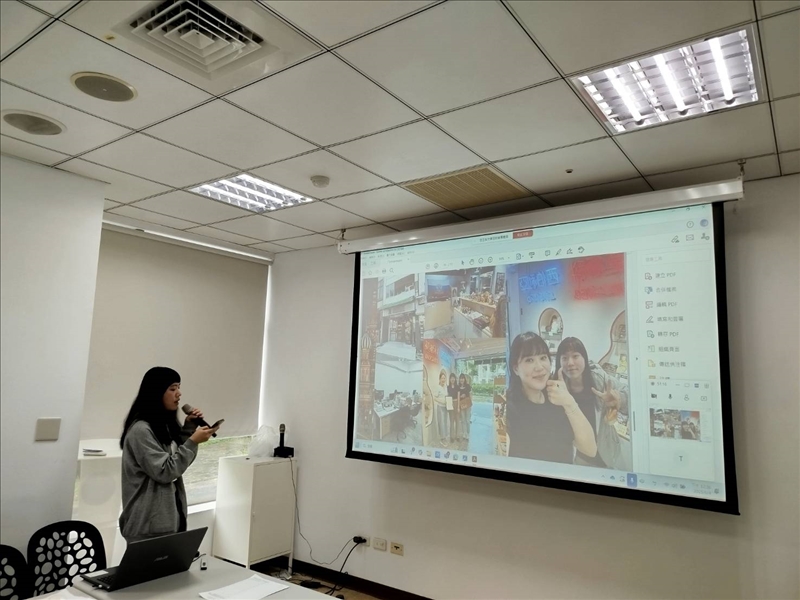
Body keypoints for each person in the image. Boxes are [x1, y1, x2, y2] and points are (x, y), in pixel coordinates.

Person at [118, 367, 218, 543]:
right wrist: (193, 441)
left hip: (169, 520)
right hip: (147, 526)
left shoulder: (162, 425)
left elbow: (177, 461)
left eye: (179, 387)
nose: (179, 394)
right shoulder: (141, 430)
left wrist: (189, 429)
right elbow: (165, 472)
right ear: (156, 392)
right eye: (172, 389)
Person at [505, 332, 596, 463]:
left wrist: (569, 402)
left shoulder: (557, 399)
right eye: (529, 360)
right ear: (516, 369)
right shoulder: (509, 407)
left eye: (543, 358)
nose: (539, 367)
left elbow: (590, 449)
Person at [556, 337, 631, 471]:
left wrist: (619, 399)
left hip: (607, 452)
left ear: (584, 358)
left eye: (575, 356)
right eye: (564, 358)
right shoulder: (558, 389)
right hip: (579, 458)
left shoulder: (599, 379)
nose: (570, 363)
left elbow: (629, 393)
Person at [433, 369, 450, 445]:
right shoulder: (438, 387)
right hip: (440, 407)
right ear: (439, 379)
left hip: (446, 407)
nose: (443, 379)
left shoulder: (446, 387)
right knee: (441, 423)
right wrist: (442, 401)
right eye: (442, 378)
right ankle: (442, 439)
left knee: (445, 422)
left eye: (444, 378)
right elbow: (434, 398)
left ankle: (445, 437)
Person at [458, 373, 473, 442]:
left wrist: (471, 403)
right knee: (463, 420)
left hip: (467, 404)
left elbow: (470, 395)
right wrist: (460, 396)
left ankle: (468, 433)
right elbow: (457, 396)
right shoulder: (458, 387)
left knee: (467, 420)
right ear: (459, 379)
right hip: (461, 405)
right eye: (460, 378)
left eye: (463, 378)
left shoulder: (468, 386)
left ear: (464, 379)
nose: (462, 380)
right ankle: (464, 433)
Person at [446, 372, 460, 444]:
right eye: (451, 378)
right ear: (450, 379)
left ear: (455, 379)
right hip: (450, 404)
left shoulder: (457, 387)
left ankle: (457, 436)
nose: (452, 379)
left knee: (457, 420)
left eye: (453, 378)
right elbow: (447, 396)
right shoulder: (448, 387)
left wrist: (458, 407)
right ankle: (452, 437)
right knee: (451, 421)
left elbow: (458, 397)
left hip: (456, 403)